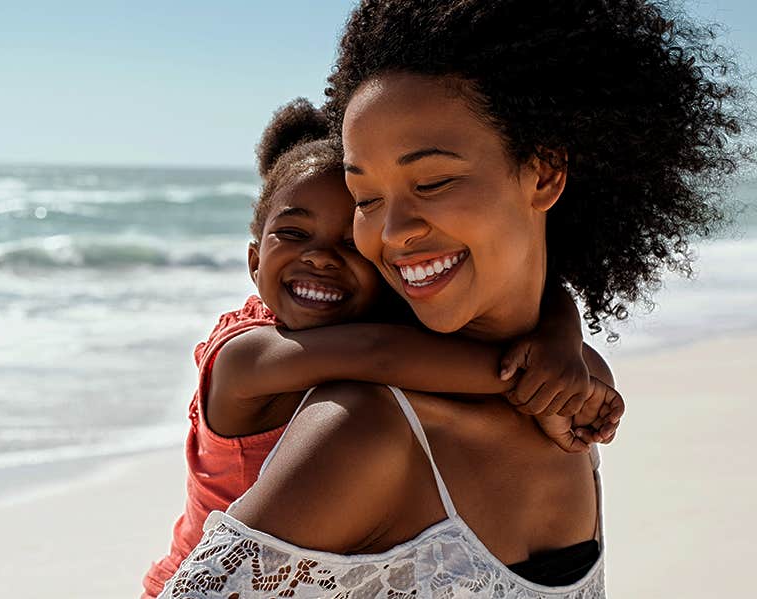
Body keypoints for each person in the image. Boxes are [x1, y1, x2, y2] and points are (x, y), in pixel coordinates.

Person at [158, 0, 746, 596]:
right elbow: (379, 352)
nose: (390, 234)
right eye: (367, 199)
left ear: (544, 174)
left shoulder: (565, 394)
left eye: (433, 182)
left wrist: (561, 346)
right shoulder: (362, 429)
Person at [141, 99, 623, 598]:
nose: (321, 258)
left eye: (350, 242)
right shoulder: (248, 354)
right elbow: (378, 352)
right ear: (253, 261)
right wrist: (545, 380)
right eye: (292, 233)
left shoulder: (366, 320)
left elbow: (535, 288)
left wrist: (561, 339)